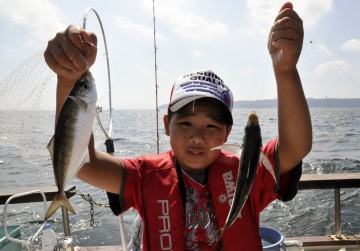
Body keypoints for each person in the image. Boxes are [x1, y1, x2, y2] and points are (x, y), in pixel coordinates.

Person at [44, 2, 312, 250]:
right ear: (166, 125)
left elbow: (296, 146)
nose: (197, 136)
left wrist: (285, 70)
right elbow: (84, 163)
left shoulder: (249, 169)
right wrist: (69, 77)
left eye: (211, 126)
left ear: (227, 134)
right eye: (185, 122)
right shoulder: (144, 175)